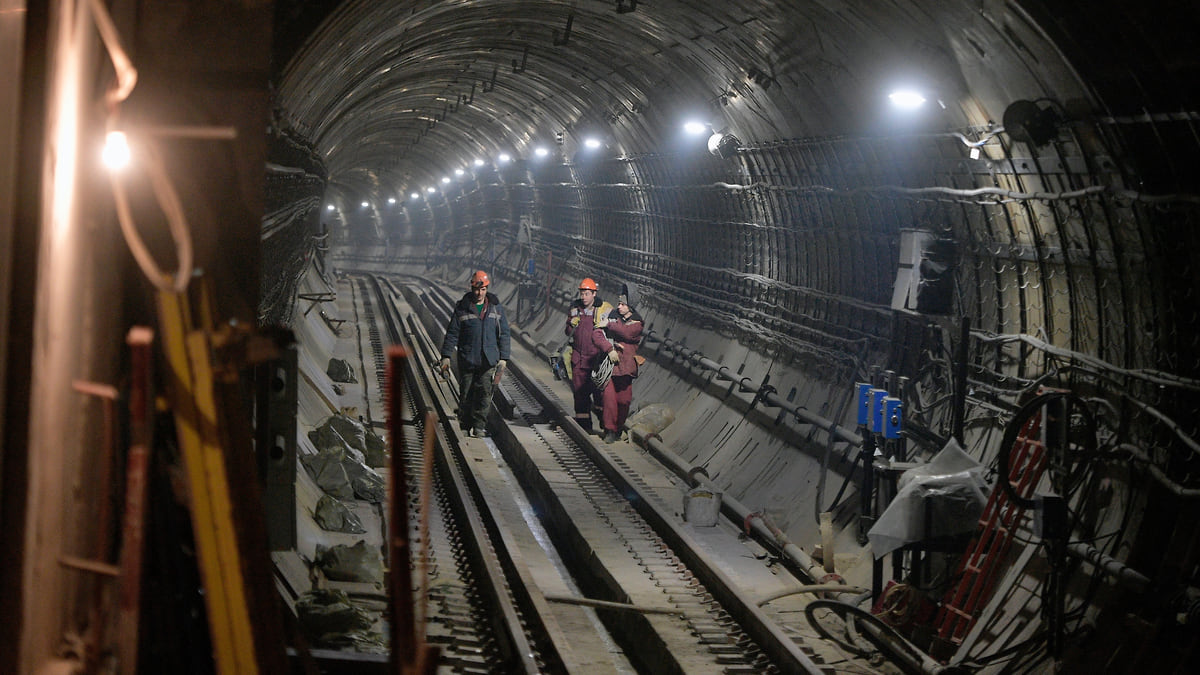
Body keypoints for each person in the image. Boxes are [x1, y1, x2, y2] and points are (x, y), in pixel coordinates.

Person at [440, 270, 511, 438]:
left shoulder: (496, 308)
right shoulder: (462, 308)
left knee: (484, 394)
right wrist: (446, 355)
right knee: (466, 393)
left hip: (488, 359)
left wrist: (504, 358)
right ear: (471, 288)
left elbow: (505, 333)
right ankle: (465, 424)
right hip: (468, 358)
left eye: (483, 289)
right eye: (477, 290)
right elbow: (452, 333)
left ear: (487, 289)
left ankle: (479, 426)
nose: (480, 293)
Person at [565, 277, 613, 434]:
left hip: (596, 360)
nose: (583, 297)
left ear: (594, 294)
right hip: (579, 359)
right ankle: (584, 428)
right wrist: (571, 324)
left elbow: (612, 330)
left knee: (600, 395)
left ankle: (605, 423)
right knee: (580, 394)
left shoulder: (603, 309)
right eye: (582, 294)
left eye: (586, 294)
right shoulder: (575, 309)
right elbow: (567, 331)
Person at [597, 285, 644, 443]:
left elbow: (627, 333)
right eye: (619, 303)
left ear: (630, 307)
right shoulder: (612, 315)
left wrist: (609, 325)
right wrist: (609, 349)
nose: (619, 306)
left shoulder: (637, 323)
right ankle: (609, 430)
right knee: (609, 399)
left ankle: (618, 427)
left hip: (626, 368)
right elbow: (597, 333)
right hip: (610, 367)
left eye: (623, 304)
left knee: (624, 401)